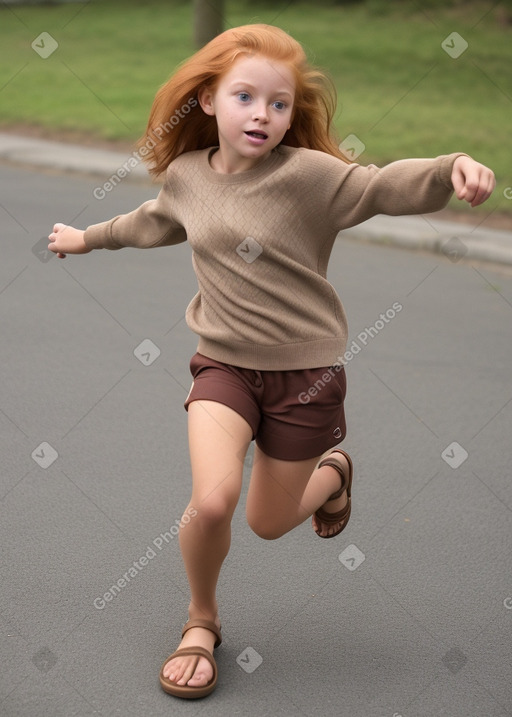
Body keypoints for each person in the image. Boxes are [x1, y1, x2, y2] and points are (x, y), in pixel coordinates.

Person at [48, 23, 495, 699]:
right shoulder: (188, 177)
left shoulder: (311, 177)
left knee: (266, 521)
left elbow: (381, 186)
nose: (263, 114)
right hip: (223, 366)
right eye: (246, 96)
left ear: (292, 114)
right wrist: (87, 237)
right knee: (212, 500)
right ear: (207, 100)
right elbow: (153, 220)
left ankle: (334, 477)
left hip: (305, 378)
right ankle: (201, 622)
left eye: (279, 104)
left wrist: (448, 167)